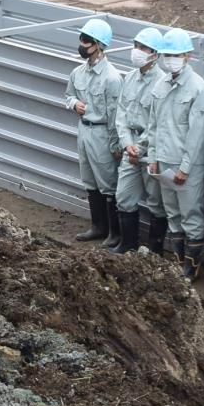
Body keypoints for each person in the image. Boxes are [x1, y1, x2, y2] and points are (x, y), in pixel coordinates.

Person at [147, 28, 204, 282]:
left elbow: (197, 135)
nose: (170, 59)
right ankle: (179, 261)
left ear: (187, 55)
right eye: (167, 54)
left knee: (190, 215)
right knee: (172, 214)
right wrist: (153, 156)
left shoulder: (199, 89)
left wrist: (185, 168)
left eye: (175, 54)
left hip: (186, 165)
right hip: (163, 161)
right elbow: (154, 124)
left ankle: (191, 268)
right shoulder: (161, 84)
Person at [65, 18, 123, 245]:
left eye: (86, 40)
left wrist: (115, 144)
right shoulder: (77, 73)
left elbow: (116, 116)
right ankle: (98, 226)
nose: (82, 44)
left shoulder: (111, 78)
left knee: (108, 182)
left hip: (101, 133)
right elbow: (68, 95)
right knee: (89, 180)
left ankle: (114, 232)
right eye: (81, 38)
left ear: (99, 44)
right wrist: (73, 104)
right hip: (84, 131)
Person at [111, 28, 167, 254]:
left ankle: (155, 251)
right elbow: (122, 112)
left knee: (156, 201)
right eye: (136, 45)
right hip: (130, 145)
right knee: (123, 196)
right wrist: (126, 144)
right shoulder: (131, 77)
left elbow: (158, 122)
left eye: (143, 47)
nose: (137, 51)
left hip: (150, 148)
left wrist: (140, 148)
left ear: (155, 53)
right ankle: (128, 244)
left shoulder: (162, 83)